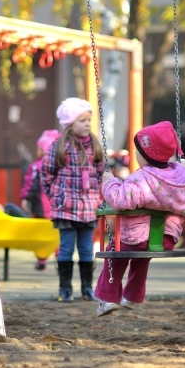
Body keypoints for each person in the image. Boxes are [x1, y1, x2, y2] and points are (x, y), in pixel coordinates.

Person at [95, 122, 185, 316]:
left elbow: (120, 200)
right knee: (142, 256)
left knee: (116, 252)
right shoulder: (183, 176)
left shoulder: (141, 179)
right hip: (166, 239)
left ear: (145, 155)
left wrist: (109, 183)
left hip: (135, 239)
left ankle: (107, 297)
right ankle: (132, 297)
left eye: (137, 151)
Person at [41, 98, 105, 302]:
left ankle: (87, 288)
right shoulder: (59, 147)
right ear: (70, 123)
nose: (87, 124)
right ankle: (65, 288)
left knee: (86, 248)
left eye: (88, 120)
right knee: (66, 248)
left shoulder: (94, 146)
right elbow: (46, 174)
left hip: (88, 207)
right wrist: (56, 197)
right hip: (66, 206)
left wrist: (100, 196)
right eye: (82, 120)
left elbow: (102, 173)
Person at [19, 129, 60, 271]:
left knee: (42, 234)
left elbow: (30, 184)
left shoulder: (36, 166)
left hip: (40, 207)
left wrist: (25, 198)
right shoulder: (60, 165)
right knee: (57, 233)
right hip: (57, 207)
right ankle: (59, 257)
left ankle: (41, 259)